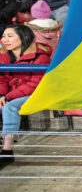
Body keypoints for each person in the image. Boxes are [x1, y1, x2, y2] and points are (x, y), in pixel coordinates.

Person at [0, 25, 52, 168]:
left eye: (10, 36)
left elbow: (34, 85)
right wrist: (1, 94)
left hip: (35, 95)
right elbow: (2, 80)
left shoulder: (40, 57)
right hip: (10, 94)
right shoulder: (3, 56)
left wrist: (8, 97)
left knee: (10, 108)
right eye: (4, 36)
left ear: (24, 38)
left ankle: (7, 151)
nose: (5, 40)